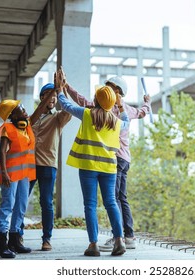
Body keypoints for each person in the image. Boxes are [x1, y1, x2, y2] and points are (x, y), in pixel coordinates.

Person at [64, 75, 151, 251]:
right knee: (120, 198)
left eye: (109, 87)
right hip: (124, 158)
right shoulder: (124, 110)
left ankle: (118, 237)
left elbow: (80, 102)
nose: (104, 90)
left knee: (112, 200)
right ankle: (128, 236)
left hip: (113, 158)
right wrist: (147, 102)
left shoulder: (102, 110)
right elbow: (142, 112)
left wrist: (64, 88)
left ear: (117, 91)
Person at [54, 67, 130, 256]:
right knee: (111, 202)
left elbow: (65, 105)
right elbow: (127, 122)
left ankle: (93, 244)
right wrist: (120, 107)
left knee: (90, 205)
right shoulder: (116, 121)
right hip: (109, 168)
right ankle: (119, 240)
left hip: (88, 167)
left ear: (95, 100)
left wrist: (59, 89)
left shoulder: (87, 115)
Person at [19, 83, 72, 251]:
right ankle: (17, 235)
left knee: (46, 202)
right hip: (28, 165)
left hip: (48, 164)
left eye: (55, 95)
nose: (52, 97)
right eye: (49, 94)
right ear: (42, 97)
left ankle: (46, 239)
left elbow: (69, 109)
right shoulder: (31, 118)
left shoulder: (58, 118)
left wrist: (61, 90)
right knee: (20, 201)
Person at [0, 100, 35, 258]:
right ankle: (0, 243)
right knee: (8, 205)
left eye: (23, 107)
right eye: (20, 109)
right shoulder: (7, 129)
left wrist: (54, 91)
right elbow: (2, 152)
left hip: (24, 173)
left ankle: (14, 240)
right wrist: (4, 172)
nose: (24, 110)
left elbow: (36, 113)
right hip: (10, 173)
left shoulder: (25, 127)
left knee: (21, 205)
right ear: (12, 114)